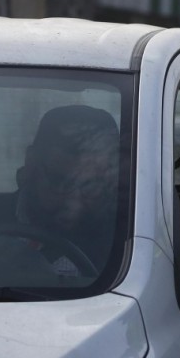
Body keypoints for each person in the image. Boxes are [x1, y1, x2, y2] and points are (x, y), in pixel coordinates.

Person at [14, 104, 121, 276]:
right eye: (60, 182)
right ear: (31, 163)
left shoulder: (129, 244)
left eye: (91, 185)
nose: (75, 205)